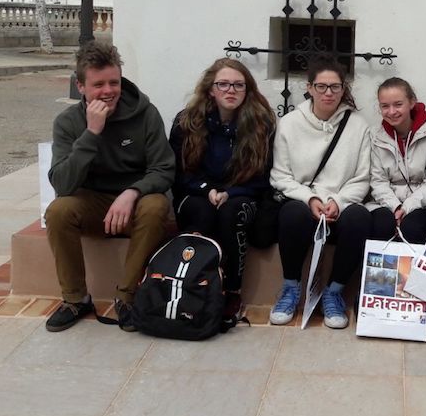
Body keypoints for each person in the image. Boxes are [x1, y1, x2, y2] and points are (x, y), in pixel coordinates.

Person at [44, 40, 175, 332]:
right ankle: (75, 299)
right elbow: (63, 184)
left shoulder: (145, 114)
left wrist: (133, 192)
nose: (107, 91)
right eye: (98, 84)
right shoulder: (68, 123)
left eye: (113, 82)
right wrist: (91, 133)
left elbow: (164, 168)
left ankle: (127, 297)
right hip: (92, 204)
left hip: (135, 205)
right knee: (58, 211)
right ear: (80, 87)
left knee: (156, 205)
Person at [268, 57, 386, 329]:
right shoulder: (289, 124)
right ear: (309, 88)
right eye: (322, 87)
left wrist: (338, 201)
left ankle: (334, 293)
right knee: (292, 214)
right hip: (304, 201)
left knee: (359, 218)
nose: (329, 93)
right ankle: (290, 288)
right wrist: (310, 199)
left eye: (335, 87)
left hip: (340, 204)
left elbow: (362, 177)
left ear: (344, 89)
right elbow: (280, 176)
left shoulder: (358, 126)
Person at [168, 58, 276, 322]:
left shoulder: (261, 124)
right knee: (201, 212)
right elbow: (179, 173)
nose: (231, 90)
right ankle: (193, 285)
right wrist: (207, 190)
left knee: (231, 213)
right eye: (223, 84)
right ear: (210, 90)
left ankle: (232, 292)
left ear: (247, 90)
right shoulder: (187, 121)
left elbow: (264, 177)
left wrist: (231, 193)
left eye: (238, 85)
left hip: (242, 194)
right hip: (196, 193)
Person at [366, 77, 426, 244]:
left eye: (398, 104)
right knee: (382, 226)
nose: (392, 111)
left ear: (412, 102)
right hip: (385, 203)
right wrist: (395, 206)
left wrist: (407, 207)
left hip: (421, 204)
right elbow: (377, 181)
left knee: (413, 228)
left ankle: (410, 271)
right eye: (385, 106)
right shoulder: (375, 136)